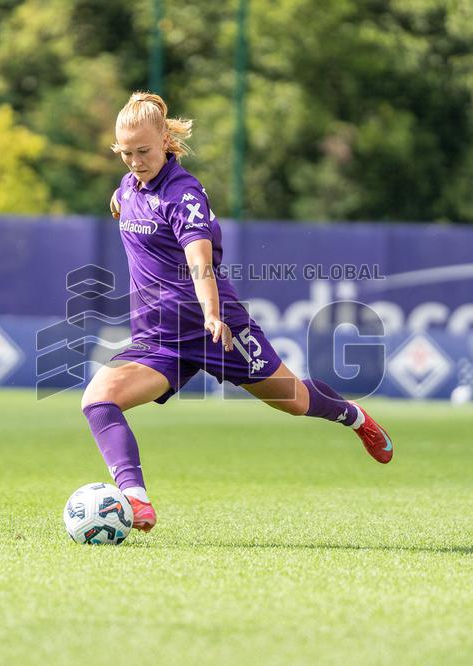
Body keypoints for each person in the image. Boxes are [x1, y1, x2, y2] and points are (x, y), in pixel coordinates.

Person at [80, 92, 393, 533]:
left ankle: (357, 418)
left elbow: (199, 262)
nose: (135, 161)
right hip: (158, 340)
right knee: (98, 399)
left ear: (166, 140)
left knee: (294, 401)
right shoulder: (130, 188)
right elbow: (127, 198)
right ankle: (135, 498)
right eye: (126, 153)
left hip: (216, 329)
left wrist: (211, 313)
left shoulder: (183, 194)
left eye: (144, 151)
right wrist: (119, 197)